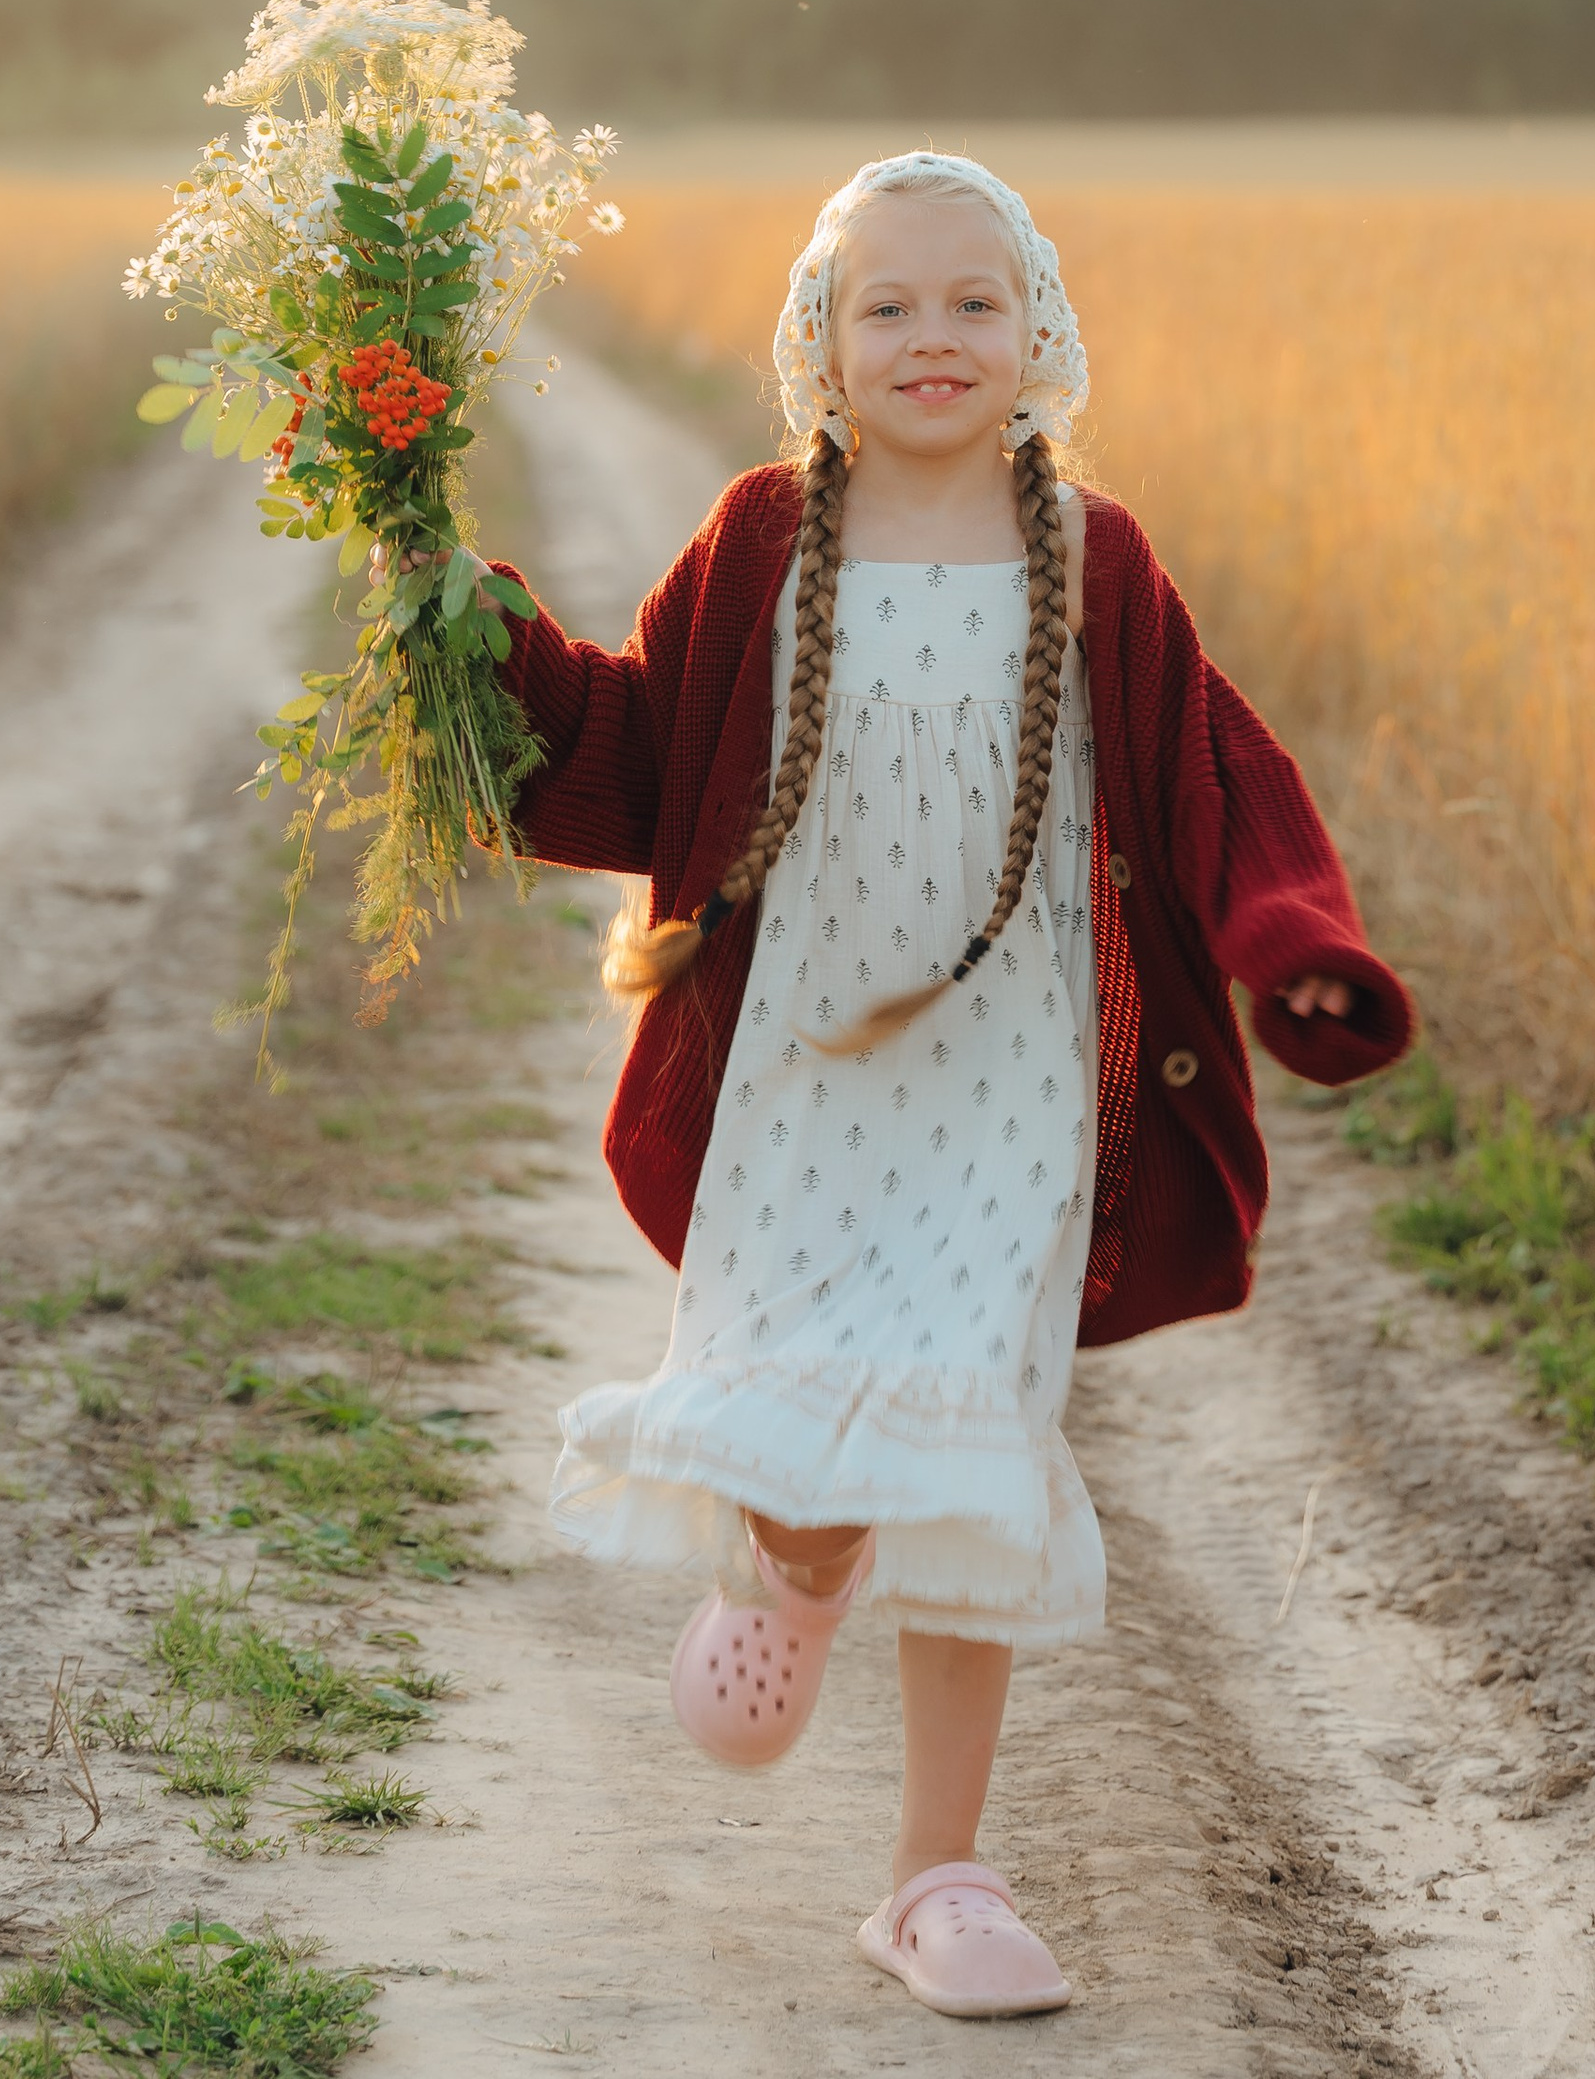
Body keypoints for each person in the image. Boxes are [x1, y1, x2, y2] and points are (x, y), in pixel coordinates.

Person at [497, 152, 1411, 2021]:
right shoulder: (763, 540)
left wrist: (1294, 943)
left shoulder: (1100, 558)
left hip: (1017, 1089)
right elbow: (626, 745)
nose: (934, 337)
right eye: (887, 306)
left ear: (1039, 329)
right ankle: (794, 1564)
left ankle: (934, 1877)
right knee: (811, 1420)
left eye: (972, 302)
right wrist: (460, 632)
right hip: (798, 1081)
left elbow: (1220, 784)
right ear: (821, 348)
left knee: (978, 1440)